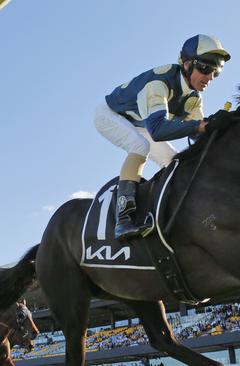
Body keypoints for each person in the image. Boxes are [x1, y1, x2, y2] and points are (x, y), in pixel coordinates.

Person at [95, 34, 231, 240]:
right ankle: (123, 220)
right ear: (186, 64)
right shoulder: (159, 83)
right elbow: (158, 131)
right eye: (205, 68)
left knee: (173, 161)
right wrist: (202, 126)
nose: (209, 77)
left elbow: (198, 135)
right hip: (110, 114)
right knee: (140, 146)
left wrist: (220, 127)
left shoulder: (194, 99)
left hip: (140, 122)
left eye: (216, 72)